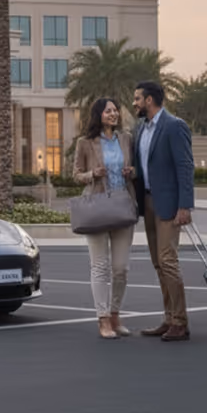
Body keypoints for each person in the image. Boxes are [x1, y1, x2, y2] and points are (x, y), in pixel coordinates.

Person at [132, 80, 195, 342]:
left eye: (137, 98)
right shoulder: (141, 129)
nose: (134, 102)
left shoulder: (174, 126)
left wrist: (185, 205)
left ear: (149, 100)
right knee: (159, 263)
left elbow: (185, 166)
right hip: (147, 202)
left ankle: (180, 322)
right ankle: (169, 318)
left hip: (169, 204)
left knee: (168, 261)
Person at [73, 98, 138, 339]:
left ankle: (115, 315)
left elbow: (136, 168)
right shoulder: (85, 142)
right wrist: (92, 174)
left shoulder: (126, 139)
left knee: (121, 268)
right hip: (97, 207)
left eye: (115, 110)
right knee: (99, 266)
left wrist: (132, 172)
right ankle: (102, 320)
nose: (114, 114)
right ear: (99, 114)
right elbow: (75, 174)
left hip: (123, 204)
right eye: (109, 111)